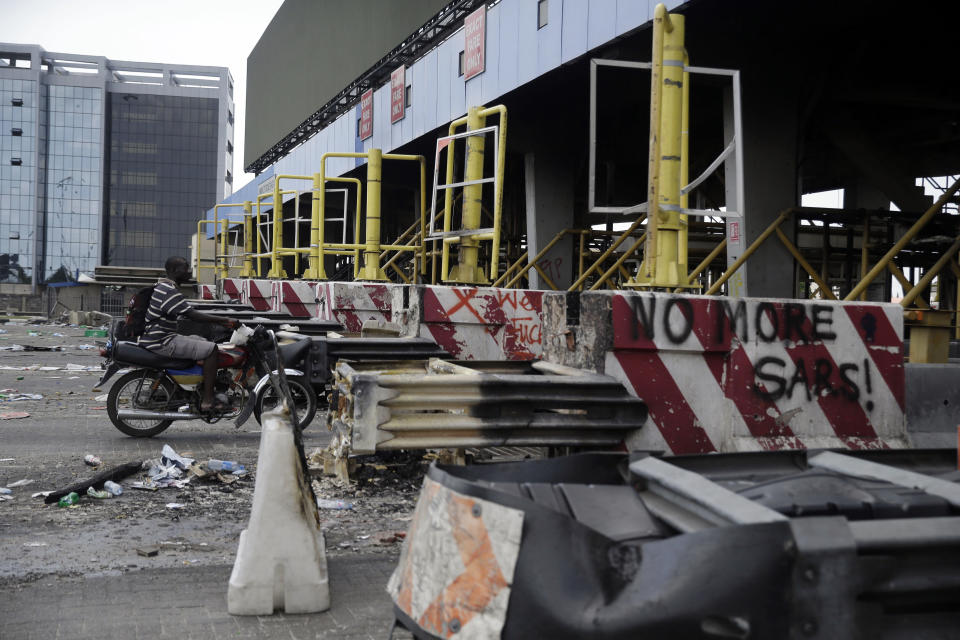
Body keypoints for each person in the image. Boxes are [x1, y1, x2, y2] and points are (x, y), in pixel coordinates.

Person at [139, 256, 237, 413]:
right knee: (211, 349)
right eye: (185, 268)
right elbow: (192, 315)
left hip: (158, 337)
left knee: (201, 340)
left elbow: (188, 311)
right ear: (173, 271)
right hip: (163, 341)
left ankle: (195, 387)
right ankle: (207, 400)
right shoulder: (169, 291)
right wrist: (224, 321)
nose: (189, 272)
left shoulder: (163, 287)